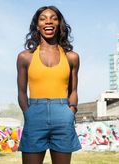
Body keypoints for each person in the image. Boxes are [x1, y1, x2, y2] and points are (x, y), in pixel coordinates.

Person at [17, 6, 81, 164]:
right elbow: (21, 92)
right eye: (43, 18)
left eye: (53, 18)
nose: (48, 21)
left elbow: (73, 91)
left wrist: (70, 112)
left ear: (59, 23)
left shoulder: (72, 57)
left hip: (63, 116)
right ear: (37, 25)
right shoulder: (25, 57)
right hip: (35, 115)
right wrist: (28, 114)